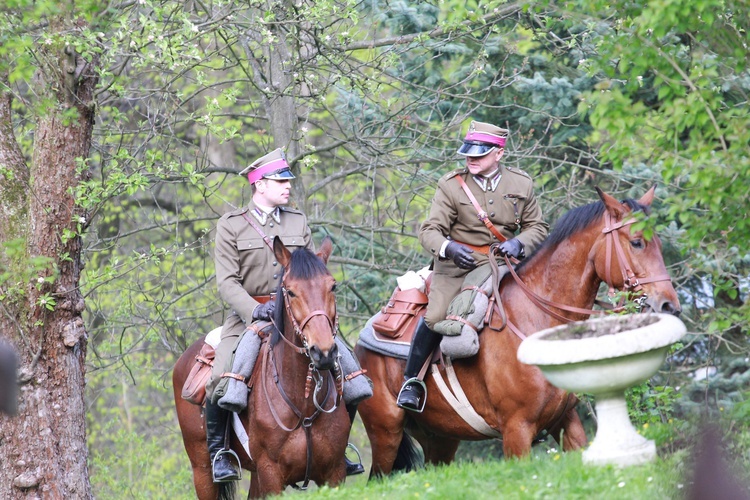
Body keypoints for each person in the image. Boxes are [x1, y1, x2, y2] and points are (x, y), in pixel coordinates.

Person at [204, 148, 369, 481]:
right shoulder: (231, 225)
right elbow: (226, 282)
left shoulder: (298, 221)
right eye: (280, 180)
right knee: (219, 377)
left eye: (288, 180)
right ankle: (220, 452)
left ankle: (339, 448)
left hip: (299, 312)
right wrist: (255, 309)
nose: (287, 186)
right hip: (250, 315)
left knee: (349, 372)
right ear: (259, 184)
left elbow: (311, 274)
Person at [396, 120, 549, 412]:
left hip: (506, 264)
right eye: (468, 153)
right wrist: (449, 248)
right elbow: (429, 231)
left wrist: (518, 244)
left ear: (499, 154)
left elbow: (537, 227)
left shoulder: (521, 183)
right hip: (457, 267)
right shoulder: (451, 185)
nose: (471, 158)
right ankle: (411, 382)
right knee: (435, 316)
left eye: (479, 154)